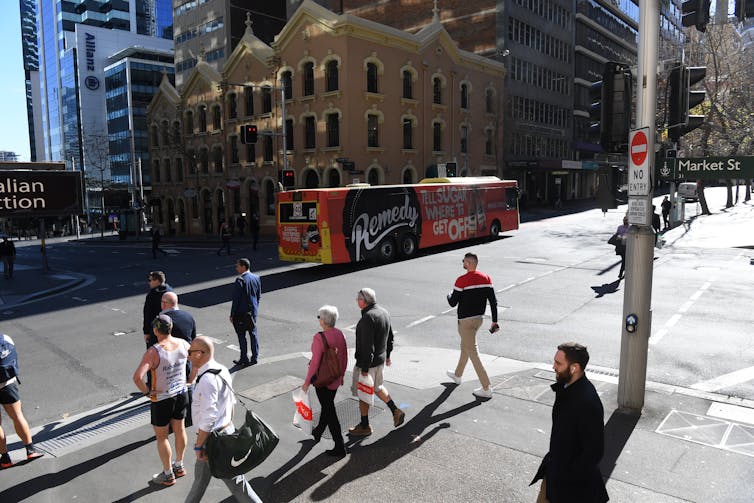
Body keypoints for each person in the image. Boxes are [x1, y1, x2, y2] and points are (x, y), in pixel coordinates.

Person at [184, 336, 263, 503]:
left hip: (213, 440)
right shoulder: (222, 370)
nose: (188, 355)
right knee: (204, 481)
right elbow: (231, 404)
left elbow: (208, 418)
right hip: (224, 432)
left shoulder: (207, 380)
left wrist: (199, 445)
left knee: (234, 482)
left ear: (201, 353)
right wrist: (228, 427)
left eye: (191, 352)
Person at [530, 342, 608, 503]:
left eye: (558, 363)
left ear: (574, 368)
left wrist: (568, 476)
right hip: (555, 475)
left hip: (572, 488)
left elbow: (594, 451)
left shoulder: (587, 402)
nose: (553, 367)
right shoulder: (566, 388)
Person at [133, 314, 190, 486]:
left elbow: (137, 377)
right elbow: (197, 359)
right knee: (180, 430)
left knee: (162, 437)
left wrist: (147, 393)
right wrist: (190, 379)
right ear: (171, 328)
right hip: (181, 394)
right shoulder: (183, 343)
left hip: (162, 399)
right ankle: (179, 466)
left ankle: (167, 474)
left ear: (156, 330)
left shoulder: (154, 351)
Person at [349, 288, 405, 436]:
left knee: (363, 393)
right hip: (380, 360)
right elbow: (390, 337)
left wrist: (365, 368)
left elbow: (367, 346)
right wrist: (388, 355)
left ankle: (365, 425)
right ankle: (395, 410)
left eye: (358, 299)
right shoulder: (384, 312)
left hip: (368, 363)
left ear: (364, 301)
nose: (356, 301)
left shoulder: (367, 318)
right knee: (378, 388)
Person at [445, 252, 499, 399]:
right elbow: (493, 301)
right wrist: (494, 321)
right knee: (466, 347)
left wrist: (449, 294)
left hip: (465, 322)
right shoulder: (486, 278)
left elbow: (452, 302)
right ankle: (457, 375)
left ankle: (486, 388)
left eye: (464, 261)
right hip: (478, 320)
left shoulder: (461, 280)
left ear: (468, 263)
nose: (462, 263)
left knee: (473, 352)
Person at [301, 305, 349, 457]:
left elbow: (315, 363)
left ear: (323, 321)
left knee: (330, 411)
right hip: (334, 379)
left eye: (319, 317)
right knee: (327, 406)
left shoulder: (319, 338)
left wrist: (306, 383)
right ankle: (318, 432)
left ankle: (340, 446)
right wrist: (340, 376)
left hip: (322, 381)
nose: (319, 320)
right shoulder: (340, 334)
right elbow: (344, 358)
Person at [0, 332, 44, 468]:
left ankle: (5, 458)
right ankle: (30, 450)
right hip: (7, 383)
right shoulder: (5, 338)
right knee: (18, 416)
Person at [230, 258, 261, 367]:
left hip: (241, 313)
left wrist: (232, 314)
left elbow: (236, 299)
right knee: (253, 334)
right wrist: (255, 309)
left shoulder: (240, 280)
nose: (236, 268)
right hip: (252, 311)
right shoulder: (256, 277)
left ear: (243, 267)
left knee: (241, 335)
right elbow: (258, 296)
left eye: (238, 266)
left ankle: (244, 358)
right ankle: (255, 357)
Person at [144, 271, 173, 349]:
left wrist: (146, 332)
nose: (149, 283)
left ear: (157, 281)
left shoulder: (152, 295)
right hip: (169, 325)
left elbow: (147, 314)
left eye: (150, 280)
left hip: (156, 327)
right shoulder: (170, 291)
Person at [615, 216, 629, 280]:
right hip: (621, 246)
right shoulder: (620, 227)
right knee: (624, 260)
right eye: (624, 220)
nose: (625, 221)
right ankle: (621, 273)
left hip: (629, 246)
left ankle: (622, 273)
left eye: (626, 220)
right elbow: (617, 235)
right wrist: (620, 237)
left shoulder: (631, 228)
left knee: (626, 260)